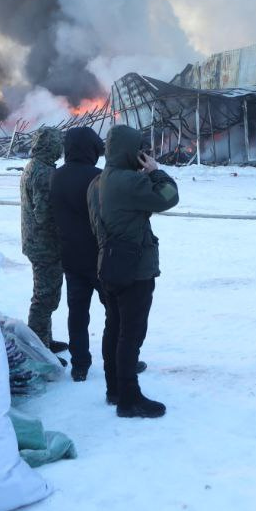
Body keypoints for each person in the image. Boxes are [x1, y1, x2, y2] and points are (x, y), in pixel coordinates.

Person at [88, 125, 179, 418]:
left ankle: (114, 389)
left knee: (113, 327)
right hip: (135, 268)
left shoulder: (98, 182)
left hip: (108, 263)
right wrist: (155, 172)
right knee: (131, 334)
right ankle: (129, 398)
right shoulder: (130, 182)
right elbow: (168, 197)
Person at [51, 126, 117, 381]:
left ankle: (80, 364)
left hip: (70, 256)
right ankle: (118, 358)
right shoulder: (99, 177)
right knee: (114, 312)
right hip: (99, 258)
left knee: (77, 313)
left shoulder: (55, 176)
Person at [20, 127, 68, 354]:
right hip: (45, 245)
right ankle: (38, 350)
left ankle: (44, 339)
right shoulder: (44, 173)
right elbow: (43, 214)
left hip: (35, 242)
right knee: (45, 298)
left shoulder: (35, 166)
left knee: (45, 295)